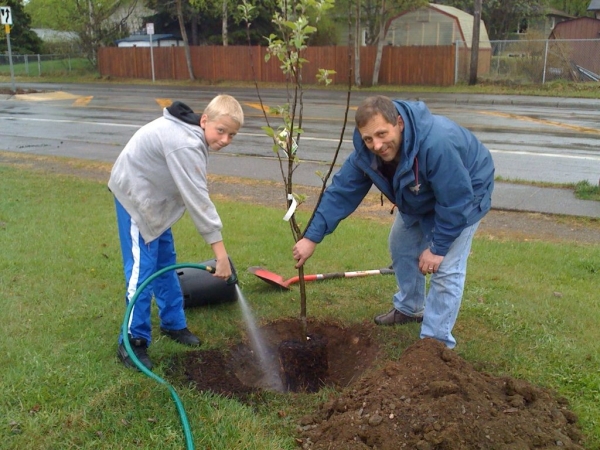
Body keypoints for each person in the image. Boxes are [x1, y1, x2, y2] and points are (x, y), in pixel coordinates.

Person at [293, 95, 494, 349]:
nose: (376, 145)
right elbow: (342, 191)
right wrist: (312, 237)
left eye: (381, 134)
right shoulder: (366, 155)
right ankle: (411, 308)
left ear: (398, 123)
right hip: (418, 195)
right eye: (368, 138)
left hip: (467, 194)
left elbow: (455, 201)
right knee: (400, 245)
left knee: (446, 269)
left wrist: (437, 248)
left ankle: (434, 346)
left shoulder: (436, 144)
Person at [108, 94, 244, 370]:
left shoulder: (196, 134)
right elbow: (199, 200)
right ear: (205, 120)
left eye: (232, 135)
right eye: (221, 131)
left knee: (165, 263)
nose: (225, 139)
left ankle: (173, 324)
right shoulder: (185, 144)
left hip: (155, 199)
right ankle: (132, 341)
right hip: (136, 196)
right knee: (142, 271)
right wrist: (220, 255)